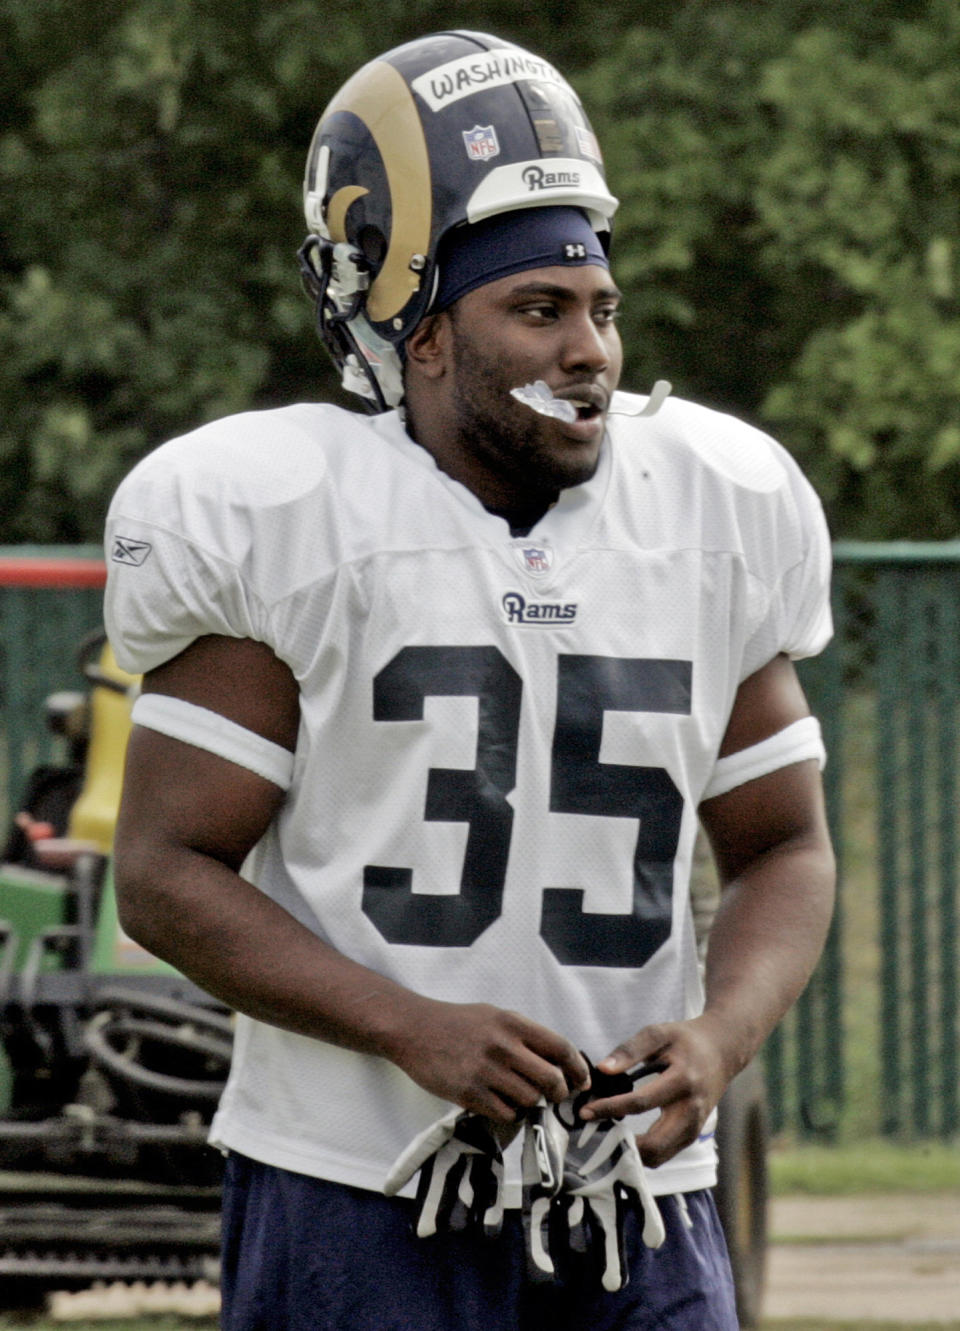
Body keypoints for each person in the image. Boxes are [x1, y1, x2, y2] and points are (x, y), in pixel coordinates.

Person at [104, 29, 835, 1331]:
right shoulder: (290, 517)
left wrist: (720, 1038)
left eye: (602, 309)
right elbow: (164, 871)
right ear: (423, 336)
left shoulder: (713, 510)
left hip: (638, 1206)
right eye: (538, 310)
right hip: (356, 1192)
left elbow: (785, 847)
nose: (590, 351)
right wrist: (405, 1025)